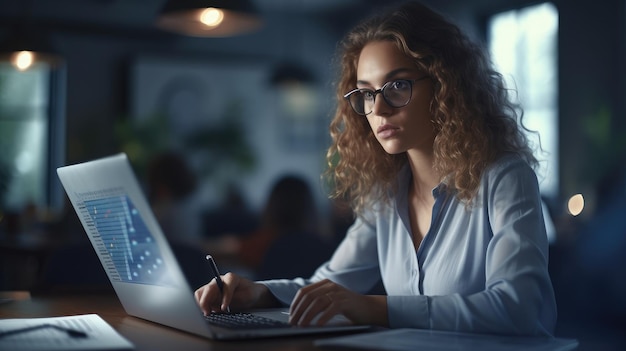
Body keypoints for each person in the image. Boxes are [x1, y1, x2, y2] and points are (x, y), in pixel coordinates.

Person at [195, 1, 556, 336]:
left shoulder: (505, 178)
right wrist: (257, 293)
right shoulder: (385, 193)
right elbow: (329, 286)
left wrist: (373, 308)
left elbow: (517, 309)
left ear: (447, 85)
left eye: (397, 85)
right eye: (366, 93)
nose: (379, 109)